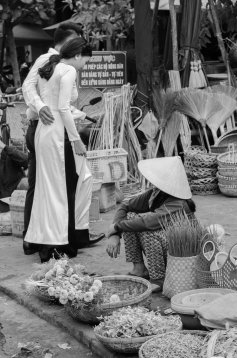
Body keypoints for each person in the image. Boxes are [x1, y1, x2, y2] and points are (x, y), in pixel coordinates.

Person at [22, 23, 104, 256]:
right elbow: (61, 107)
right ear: (73, 47)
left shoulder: (54, 65)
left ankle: (57, 238)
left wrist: (81, 114)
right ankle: (54, 243)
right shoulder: (61, 67)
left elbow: (63, 106)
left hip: (46, 131)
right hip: (55, 130)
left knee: (50, 190)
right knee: (55, 188)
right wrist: (76, 138)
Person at [106, 156, 196, 290]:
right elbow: (125, 206)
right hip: (164, 244)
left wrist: (116, 227)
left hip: (181, 252)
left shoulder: (179, 203)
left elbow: (149, 223)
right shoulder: (156, 194)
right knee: (131, 216)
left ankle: (159, 279)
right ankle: (139, 268)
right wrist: (115, 234)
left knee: (147, 230)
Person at [0, 140, 28, 212]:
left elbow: (26, 161)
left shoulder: (9, 153)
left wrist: (6, 148)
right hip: (3, 205)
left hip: (17, 198)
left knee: (25, 183)